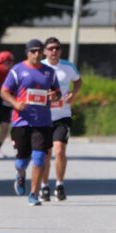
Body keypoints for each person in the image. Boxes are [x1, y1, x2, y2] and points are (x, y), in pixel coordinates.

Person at [0, 39, 61, 206]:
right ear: (27, 52)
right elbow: (4, 92)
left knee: (40, 158)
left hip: (42, 121)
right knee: (22, 160)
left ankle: (33, 193)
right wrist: (16, 103)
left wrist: (54, 96)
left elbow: (57, 92)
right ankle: (20, 174)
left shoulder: (49, 72)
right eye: (33, 51)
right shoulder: (17, 70)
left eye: (39, 51)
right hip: (21, 121)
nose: (36, 54)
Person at [40, 37, 83, 202]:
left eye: (57, 48)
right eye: (50, 48)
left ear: (60, 50)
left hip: (62, 115)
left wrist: (73, 93)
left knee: (59, 151)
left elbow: (78, 81)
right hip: (43, 117)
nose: (54, 51)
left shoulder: (68, 66)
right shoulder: (39, 67)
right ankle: (44, 186)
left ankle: (59, 185)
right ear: (45, 51)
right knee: (45, 154)